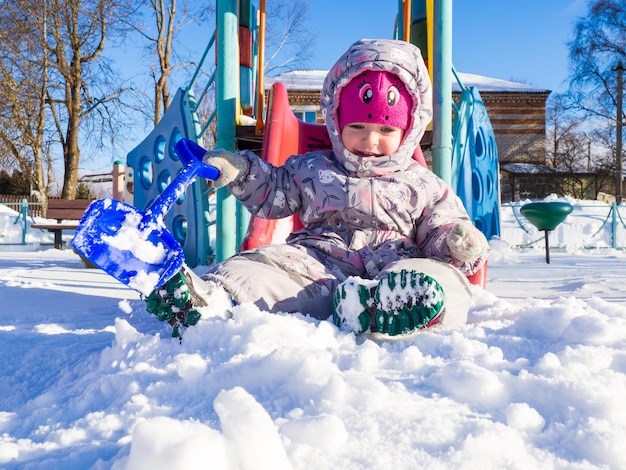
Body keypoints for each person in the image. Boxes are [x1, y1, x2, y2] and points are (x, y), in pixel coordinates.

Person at [145, 38, 489, 338]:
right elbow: (273, 190)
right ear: (336, 121)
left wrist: (456, 241)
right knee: (262, 265)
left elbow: (441, 224)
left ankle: (394, 305)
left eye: (386, 130)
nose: (370, 140)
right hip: (317, 263)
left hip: (395, 266)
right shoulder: (314, 168)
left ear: (408, 130)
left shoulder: (422, 183)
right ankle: (212, 299)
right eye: (357, 126)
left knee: (442, 278)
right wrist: (238, 171)